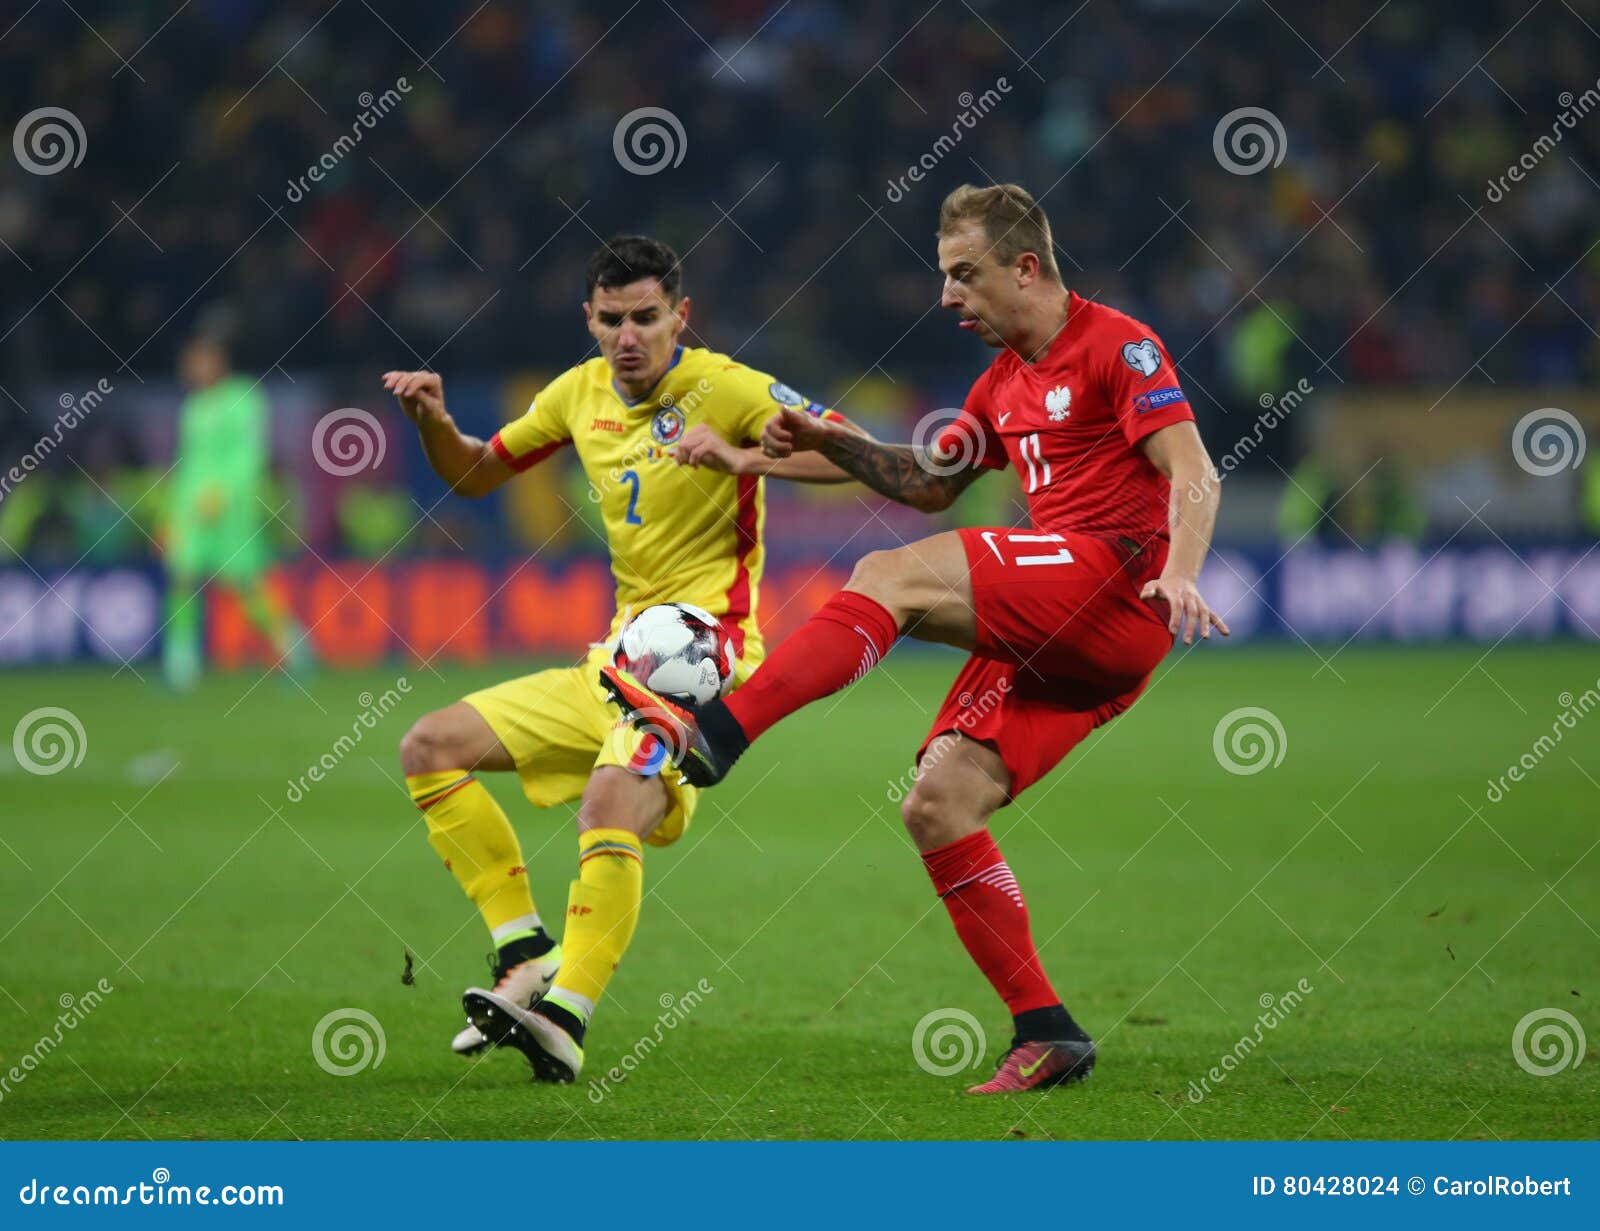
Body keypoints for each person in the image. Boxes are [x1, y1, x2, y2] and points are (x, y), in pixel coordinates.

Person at [604, 185, 1228, 1094]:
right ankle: (1047, 1029)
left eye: (964, 275)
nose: (948, 298)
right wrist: (799, 448)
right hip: (1066, 639)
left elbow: (1195, 470)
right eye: (944, 278)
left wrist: (1183, 570)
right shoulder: (1002, 382)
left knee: (886, 578)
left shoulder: (1118, 345)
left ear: (1026, 267)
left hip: (1120, 585)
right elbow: (927, 480)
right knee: (936, 805)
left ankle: (720, 731)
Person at [385, 235, 854, 1083]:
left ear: (682, 316)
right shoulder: (577, 392)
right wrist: (434, 423)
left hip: (705, 661)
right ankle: (523, 951)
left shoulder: (732, 387)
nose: (629, 335)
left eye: (647, 317)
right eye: (612, 320)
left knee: (609, 802)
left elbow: (854, 448)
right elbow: (477, 475)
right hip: (617, 659)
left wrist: (746, 456)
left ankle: (566, 1015)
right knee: (429, 747)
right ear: (590, 321)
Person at [163, 324, 309, 690]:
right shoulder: (192, 407)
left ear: (218, 361)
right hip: (192, 508)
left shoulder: (245, 397)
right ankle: (181, 665)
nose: (193, 369)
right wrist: (172, 513)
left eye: (199, 360)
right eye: (189, 363)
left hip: (233, 508)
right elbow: (187, 463)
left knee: (244, 584)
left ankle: (290, 643)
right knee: (182, 577)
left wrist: (223, 494)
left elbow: (251, 455)